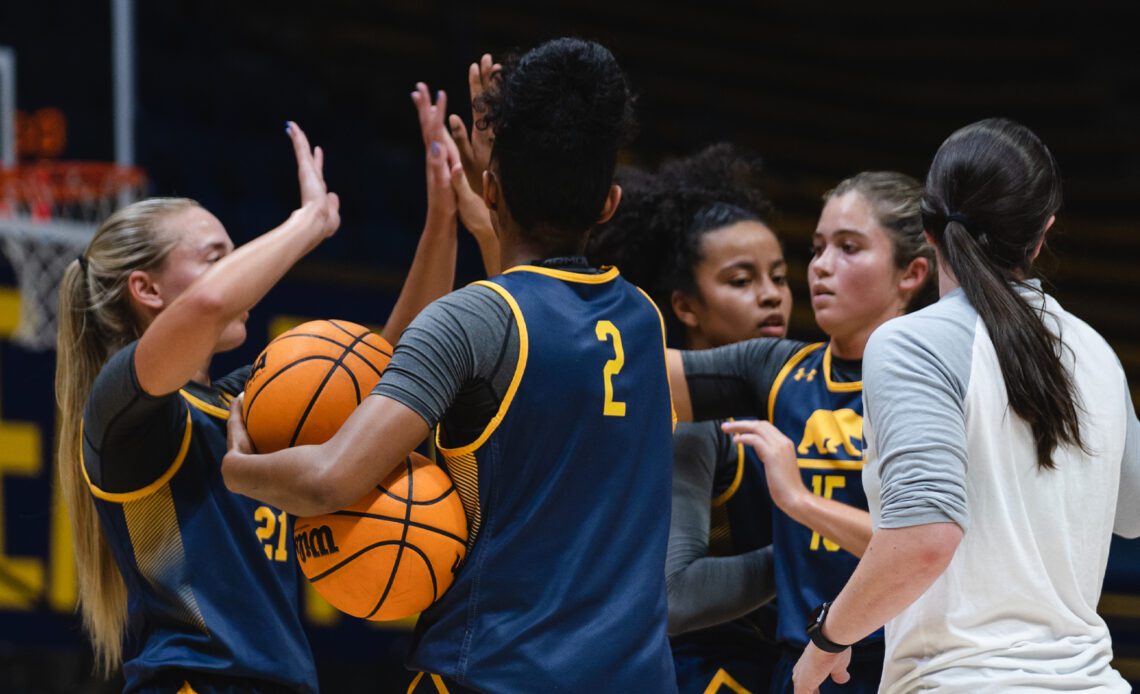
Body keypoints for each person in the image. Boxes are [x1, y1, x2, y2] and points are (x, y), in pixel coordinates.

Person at [221, 39, 677, 693]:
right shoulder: (641, 318)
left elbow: (328, 481)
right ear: (608, 203)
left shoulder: (470, 320)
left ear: (491, 186)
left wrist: (240, 468)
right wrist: (489, 207)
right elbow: (536, 314)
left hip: (493, 671)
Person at [56, 95, 467, 692]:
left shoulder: (241, 403)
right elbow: (207, 303)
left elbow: (392, 364)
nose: (240, 270)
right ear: (145, 289)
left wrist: (442, 218)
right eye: (218, 257)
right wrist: (309, 222)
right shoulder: (120, 411)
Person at [789, 118, 1140, 693]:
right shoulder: (1097, 351)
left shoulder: (910, 343)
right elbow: (1133, 512)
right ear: (1043, 231)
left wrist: (826, 640)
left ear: (929, 226)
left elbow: (925, 537)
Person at [667, 171, 936, 693]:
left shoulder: (934, 383)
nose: (820, 267)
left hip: (902, 664)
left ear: (911, 273)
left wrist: (797, 503)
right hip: (797, 666)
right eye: (817, 248)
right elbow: (617, 365)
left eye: (849, 248)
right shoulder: (780, 368)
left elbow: (926, 547)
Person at [589, 143, 790, 693]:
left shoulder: (800, 395)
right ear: (685, 306)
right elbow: (674, 594)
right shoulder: (692, 423)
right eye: (741, 280)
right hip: (701, 673)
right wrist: (811, 552)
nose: (771, 296)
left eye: (778, 276)